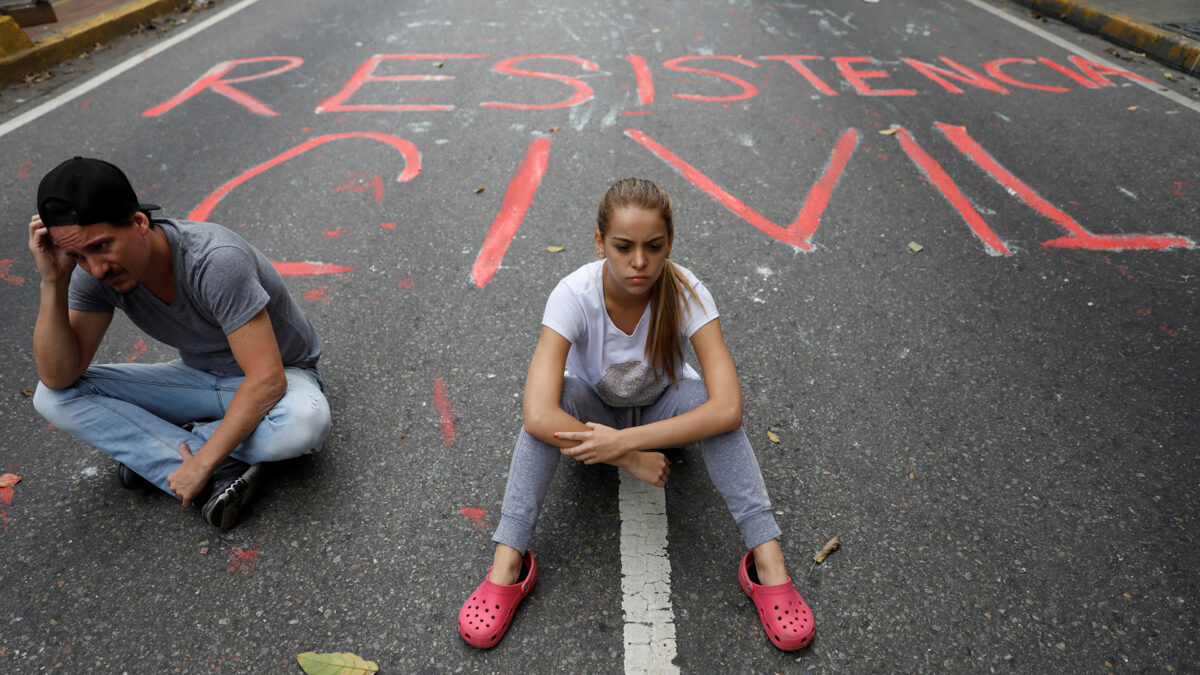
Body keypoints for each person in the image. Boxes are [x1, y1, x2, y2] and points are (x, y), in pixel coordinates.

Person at [457, 178, 814, 651]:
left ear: (670, 244)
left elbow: (728, 407)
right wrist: (627, 458)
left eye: (654, 247)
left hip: (663, 410)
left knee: (710, 403)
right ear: (600, 241)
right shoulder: (573, 294)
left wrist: (626, 442)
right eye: (623, 247)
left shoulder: (688, 291)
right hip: (591, 412)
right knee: (558, 396)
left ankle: (768, 563)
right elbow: (537, 413)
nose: (640, 262)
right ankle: (508, 562)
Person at [28, 156, 331, 530]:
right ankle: (218, 464)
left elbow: (268, 380)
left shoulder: (215, 260)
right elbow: (59, 375)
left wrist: (201, 462)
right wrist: (53, 282)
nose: (96, 268)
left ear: (139, 222)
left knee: (304, 424)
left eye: (102, 246)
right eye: (77, 256)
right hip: (199, 378)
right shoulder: (93, 274)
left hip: (283, 376)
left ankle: (174, 454)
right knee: (50, 395)